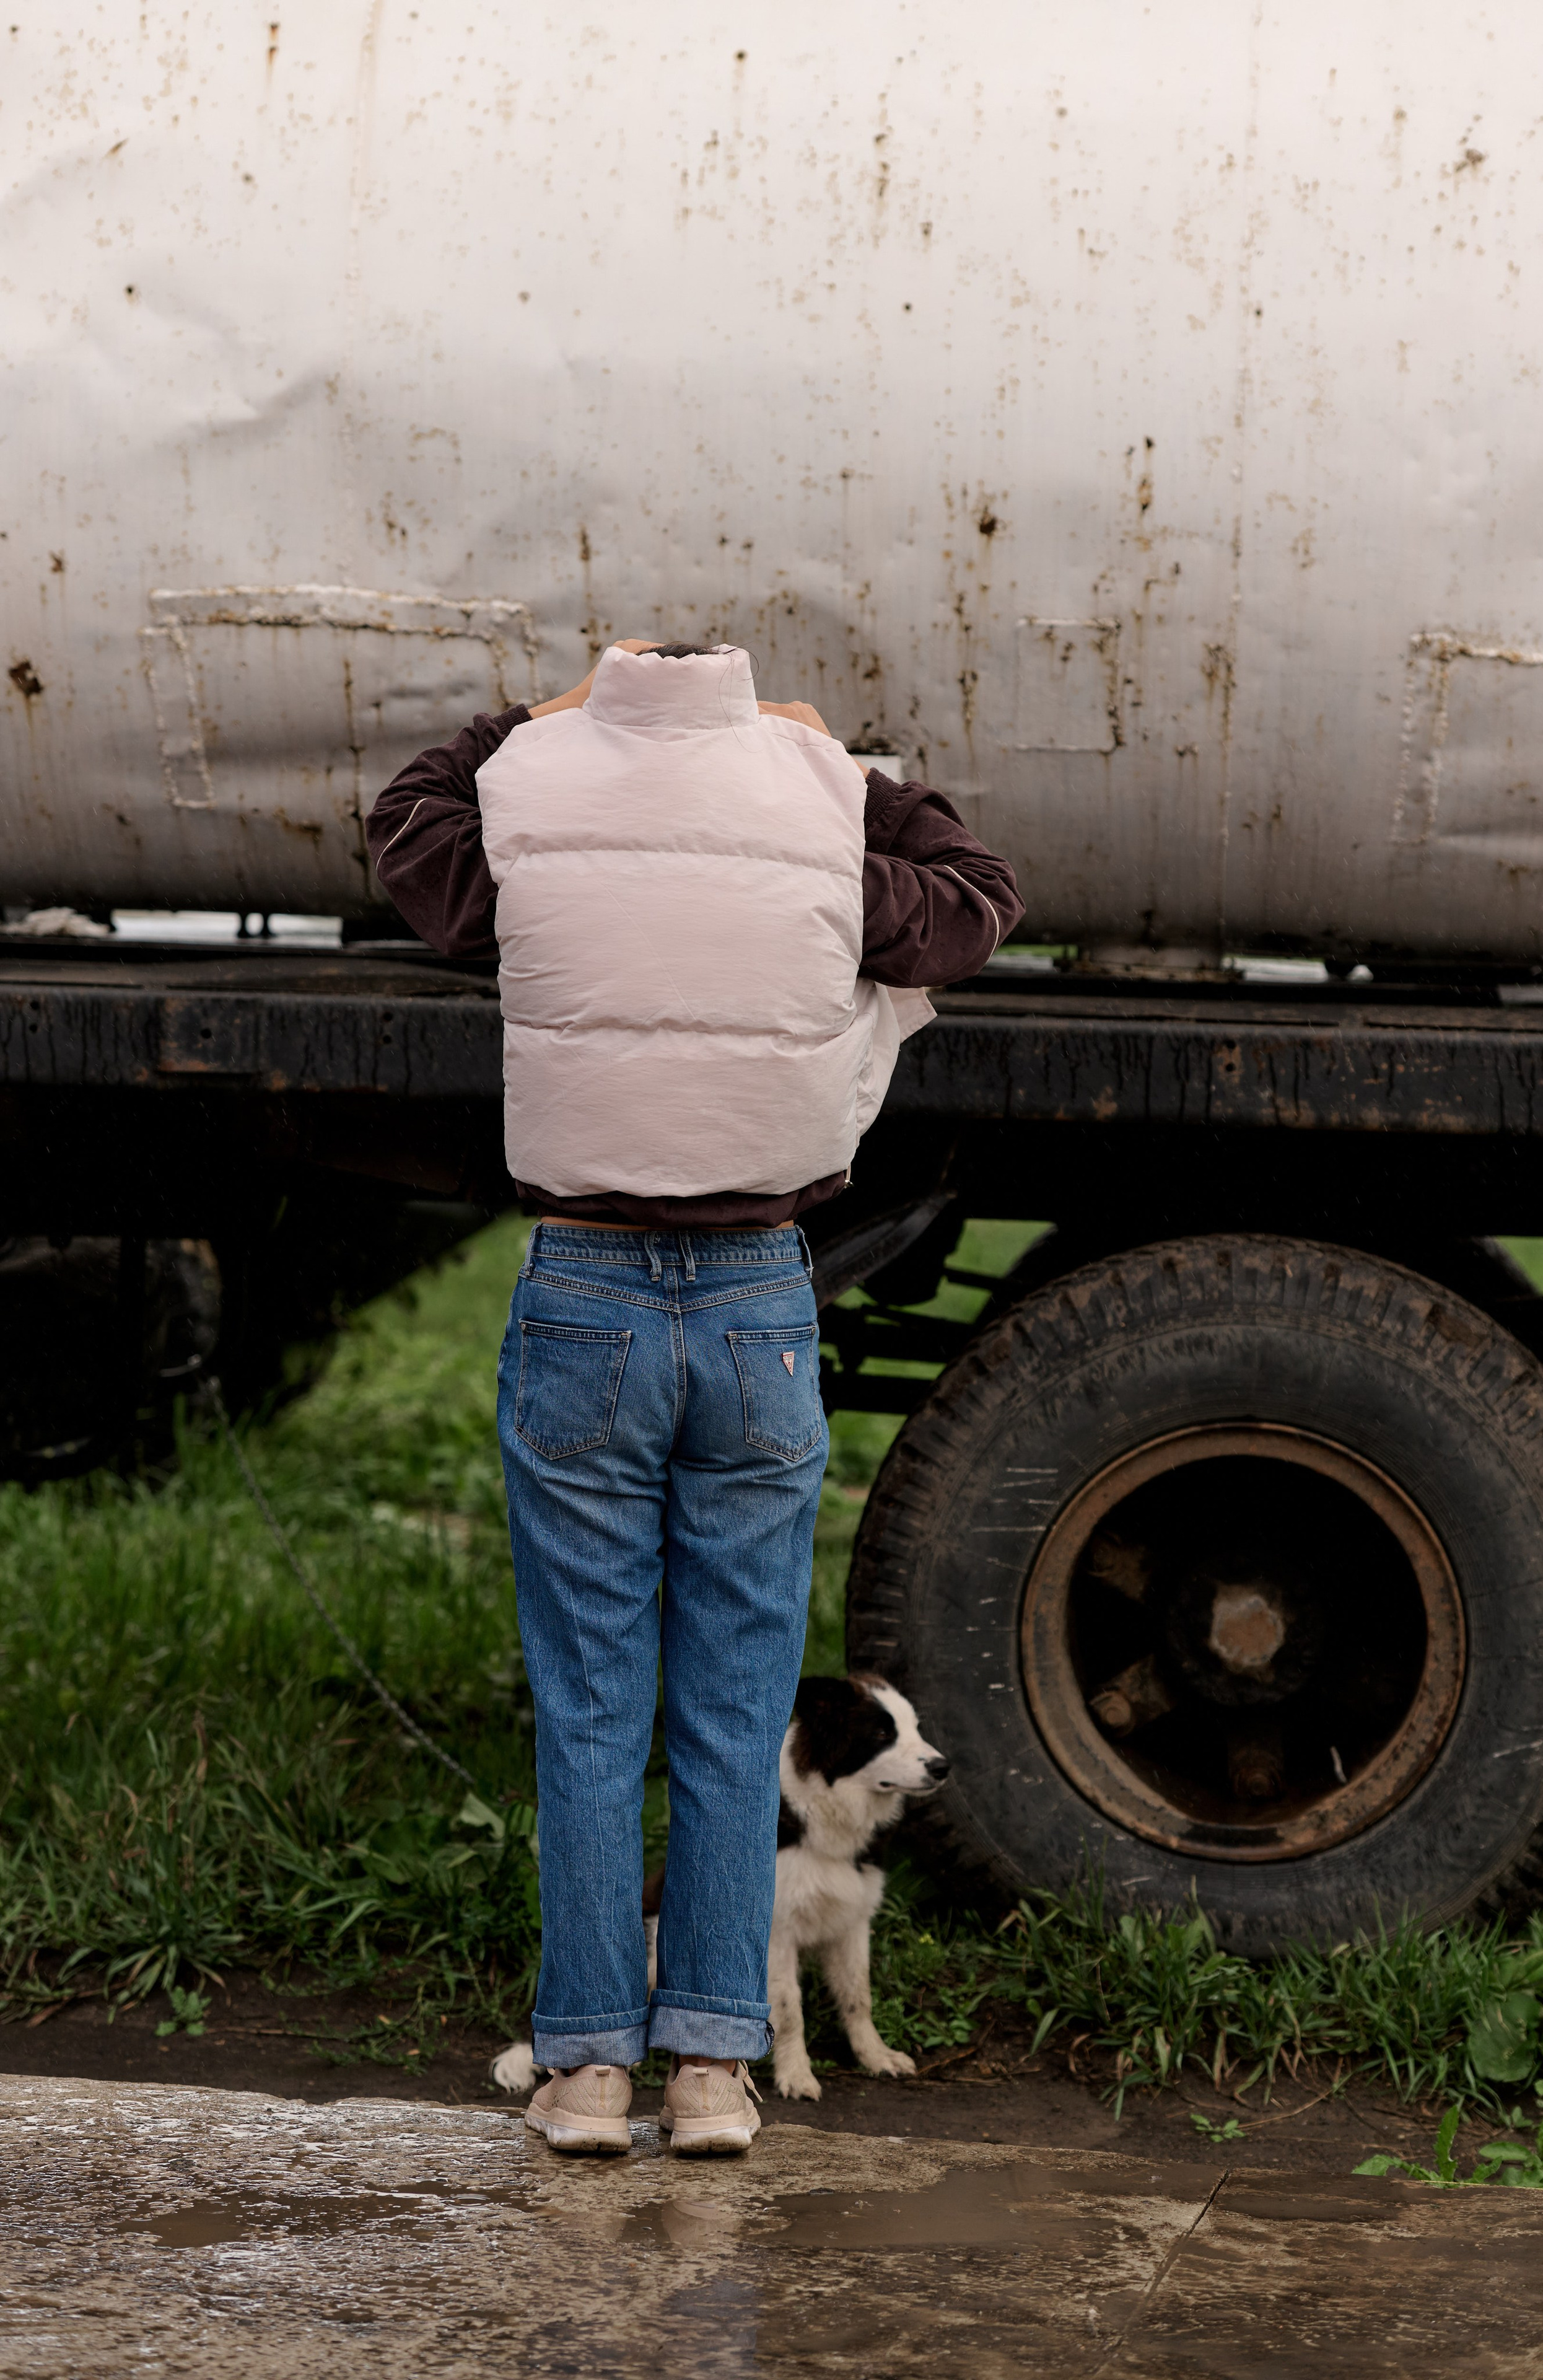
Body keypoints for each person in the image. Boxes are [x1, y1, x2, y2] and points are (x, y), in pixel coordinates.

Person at [367, 638, 1022, 2154]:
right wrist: (852, 767)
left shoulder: (528, 809)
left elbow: (409, 830)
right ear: (753, 707)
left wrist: (525, 723)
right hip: (753, 1300)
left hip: (584, 1285)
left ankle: (589, 2068)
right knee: (735, 1717)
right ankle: (715, 2072)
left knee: (591, 1713)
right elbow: (978, 898)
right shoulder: (814, 810)